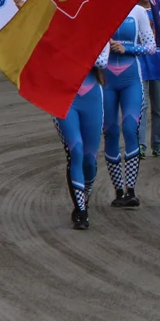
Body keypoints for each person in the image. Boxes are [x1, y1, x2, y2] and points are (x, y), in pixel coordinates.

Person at [103, 1, 157, 208]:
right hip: (106, 81)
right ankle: (118, 190)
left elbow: (151, 47)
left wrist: (127, 48)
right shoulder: (101, 8)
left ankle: (131, 190)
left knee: (129, 128)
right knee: (110, 132)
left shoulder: (139, 11)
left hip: (131, 80)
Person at [53, 42, 110, 230]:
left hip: (92, 94)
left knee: (89, 159)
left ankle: (84, 196)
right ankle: (81, 210)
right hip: (64, 97)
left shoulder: (99, 32)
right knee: (75, 150)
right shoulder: (58, 29)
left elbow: (101, 62)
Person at [137, 0, 160, 160]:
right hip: (139, 66)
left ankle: (159, 144)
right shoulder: (133, 12)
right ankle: (139, 145)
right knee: (140, 107)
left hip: (159, 66)